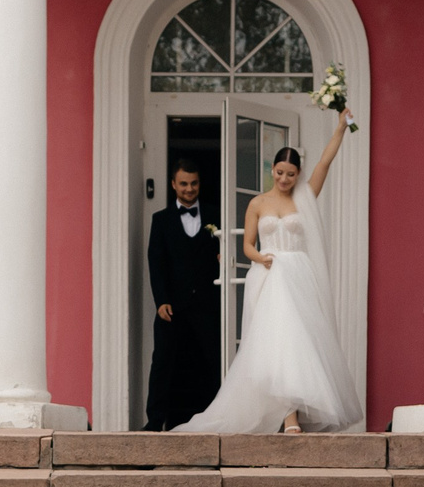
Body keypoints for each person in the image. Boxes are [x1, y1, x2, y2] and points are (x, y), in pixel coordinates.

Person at [173, 110, 361, 434]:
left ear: (297, 174)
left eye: (290, 174)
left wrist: (341, 128)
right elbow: (246, 245)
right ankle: (288, 417)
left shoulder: (305, 198)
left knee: (298, 343)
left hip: (299, 276)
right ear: (271, 170)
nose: (284, 179)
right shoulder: (258, 203)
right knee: (277, 343)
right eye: (279, 172)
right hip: (270, 275)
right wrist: (260, 258)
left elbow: (324, 164)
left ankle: (293, 415)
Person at [146, 160, 223, 430]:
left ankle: (216, 419)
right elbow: (156, 263)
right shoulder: (161, 220)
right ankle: (155, 422)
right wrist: (161, 301)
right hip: (172, 306)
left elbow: (226, 257)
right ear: (173, 185)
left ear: (199, 183)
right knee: (163, 363)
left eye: (194, 183)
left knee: (212, 362)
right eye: (184, 184)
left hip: (208, 304)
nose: (189, 189)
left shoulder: (217, 214)